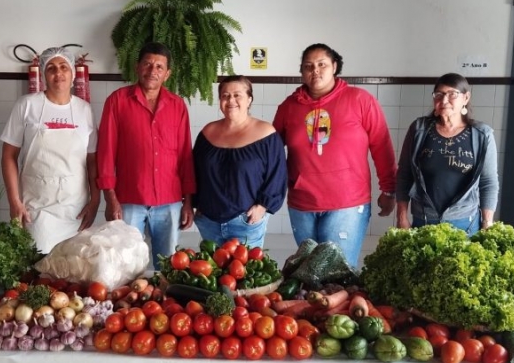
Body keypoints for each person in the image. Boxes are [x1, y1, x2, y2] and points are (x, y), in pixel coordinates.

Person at [272, 43, 396, 268]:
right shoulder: (288, 107)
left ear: (335, 67)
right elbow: (270, 152)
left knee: (337, 274)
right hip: (302, 203)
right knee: (308, 273)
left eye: (322, 64)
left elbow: (382, 146)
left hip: (347, 203)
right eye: (308, 66)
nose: (315, 71)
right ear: (301, 71)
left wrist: (389, 189)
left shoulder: (360, 100)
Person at [96, 42, 196, 269]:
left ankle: (165, 305)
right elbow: (106, 152)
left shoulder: (177, 106)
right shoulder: (117, 101)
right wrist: (110, 198)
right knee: (126, 265)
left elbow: (184, 156)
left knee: (168, 266)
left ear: (167, 74)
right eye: (148, 64)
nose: (153, 71)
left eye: (160, 67)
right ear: (137, 67)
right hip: (129, 200)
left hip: (170, 201)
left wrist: (188, 202)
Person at [0, 46, 99, 254]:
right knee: (38, 263)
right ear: (44, 74)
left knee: (70, 268)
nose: (58, 73)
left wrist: (95, 199)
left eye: (64, 67)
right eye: (51, 68)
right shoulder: (27, 105)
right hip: (37, 206)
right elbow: (9, 156)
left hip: (75, 207)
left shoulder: (84, 109)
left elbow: (92, 159)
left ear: (73, 73)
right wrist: (14, 201)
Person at [396, 73, 499, 235]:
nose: (444, 100)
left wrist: (487, 222)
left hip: (465, 223)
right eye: (439, 94)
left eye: (452, 94)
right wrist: (401, 217)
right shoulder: (419, 129)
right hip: (423, 219)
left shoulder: (481, 134)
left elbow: (488, 182)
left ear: (465, 98)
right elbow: (404, 175)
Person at [193, 76, 287, 248]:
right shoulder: (208, 132)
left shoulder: (266, 133)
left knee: (245, 274)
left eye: (237, 95)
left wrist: (262, 206)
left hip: (246, 222)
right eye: (225, 95)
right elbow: (194, 172)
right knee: (211, 274)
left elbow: (277, 175)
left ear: (249, 99)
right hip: (209, 222)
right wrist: (194, 203)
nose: (231, 100)